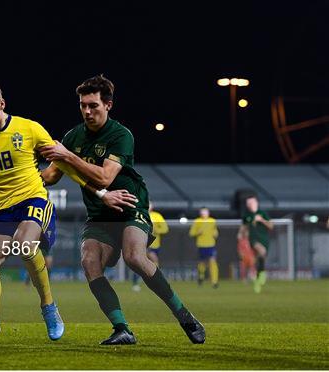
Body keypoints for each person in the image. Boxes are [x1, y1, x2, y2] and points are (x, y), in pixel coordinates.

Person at [0, 80, 135, 341]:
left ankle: (48, 306)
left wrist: (101, 193)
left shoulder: (29, 129)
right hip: (1, 211)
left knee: (24, 244)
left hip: (34, 202)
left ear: (2, 103)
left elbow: (64, 164)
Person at [39, 74, 205, 345]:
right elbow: (52, 175)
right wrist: (23, 175)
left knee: (134, 257)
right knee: (89, 262)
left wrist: (67, 155)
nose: (87, 111)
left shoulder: (120, 135)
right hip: (99, 213)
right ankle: (122, 329)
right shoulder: (73, 136)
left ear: (108, 105)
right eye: (83, 105)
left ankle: (185, 316)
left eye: (93, 105)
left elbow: (105, 177)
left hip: (130, 206)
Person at [238, 195, 273, 293]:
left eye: (251, 202)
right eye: (248, 203)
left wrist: (261, 220)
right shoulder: (247, 215)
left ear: (256, 203)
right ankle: (261, 275)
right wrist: (240, 234)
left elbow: (271, 226)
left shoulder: (262, 213)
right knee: (262, 251)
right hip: (253, 239)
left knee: (260, 258)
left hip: (264, 239)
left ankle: (258, 278)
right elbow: (244, 226)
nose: (249, 205)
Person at [132, 202, 168, 291]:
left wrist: (155, 229)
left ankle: (153, 281)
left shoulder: (157, 216)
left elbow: (165, 229)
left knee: (148, 263)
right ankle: (140, 282)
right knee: (148, 260)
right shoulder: (139, 215)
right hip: (142, 243)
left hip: (155, 244)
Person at [189, 207, 219, 288]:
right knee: (202, 263)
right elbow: (191, 233)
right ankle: (201, 276)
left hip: (211, 245)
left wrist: (215, 233)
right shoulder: (197, 221)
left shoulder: (212, 221)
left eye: (205, 212)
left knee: (212, 261)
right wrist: (198, 232)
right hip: (201, 245)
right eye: (202, 212)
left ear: (208, 213)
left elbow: (215, 231)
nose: (204, 213)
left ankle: (214, 282)